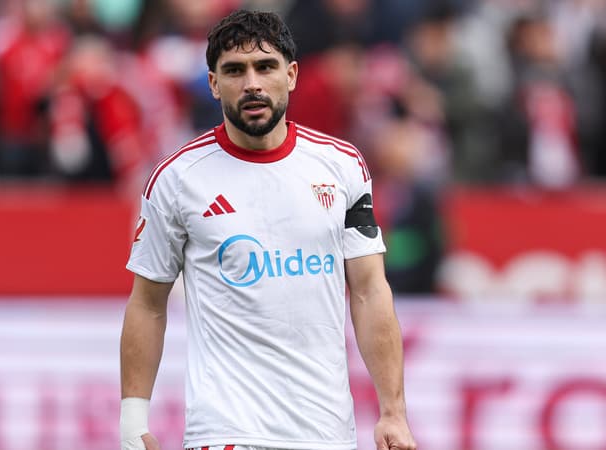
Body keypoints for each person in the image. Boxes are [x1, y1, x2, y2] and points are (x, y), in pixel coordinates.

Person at [120, 10, 416, 450]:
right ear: (213, 83)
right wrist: (132, 419)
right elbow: (147, 304)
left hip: (326, 433)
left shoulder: (342, 166)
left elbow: (370, 292)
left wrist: (393, 412)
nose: (252, 83)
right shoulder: (177, 179)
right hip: (225, 432)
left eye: (265, 67)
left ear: (291, 75)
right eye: (234, 71)